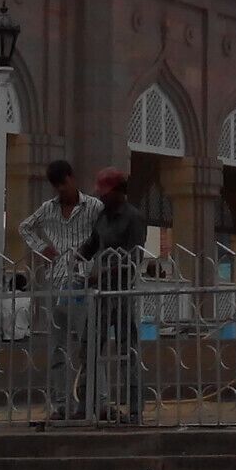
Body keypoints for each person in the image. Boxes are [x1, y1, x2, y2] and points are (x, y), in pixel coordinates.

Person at [19, 160, 99, 420]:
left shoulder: (93, 207)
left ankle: (94, 401)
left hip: (81, 282)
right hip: (56, 283)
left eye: (63, 185)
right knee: (58, 347)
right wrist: (42, 248)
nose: (61, 191)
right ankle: (61, 403)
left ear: (72, 179)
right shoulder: (48, 209)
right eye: (57, 187)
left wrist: (95, 264)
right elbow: (25, 227)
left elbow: (103, 235)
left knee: (88, 344)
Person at [81, 168, 148, 425]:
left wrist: (105, 271)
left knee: (126, 351)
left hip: (121, 292)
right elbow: (91, 245)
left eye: (106, 193)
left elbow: (134, 258)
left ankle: (134, 409)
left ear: (120, 191)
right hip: (100, 295)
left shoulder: (134, 218)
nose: (102, 197)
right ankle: (86, 406)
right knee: (89, 348)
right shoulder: (101, 216)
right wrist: (75, 258)